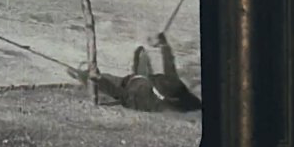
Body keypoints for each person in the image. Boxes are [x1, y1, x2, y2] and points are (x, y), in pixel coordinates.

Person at [67, 32, 201, 112]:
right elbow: (169, 66)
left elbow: (118, 93)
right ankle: (85, 75)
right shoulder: (175, 86)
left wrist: (98, 79)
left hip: (127, 84)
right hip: (140, 78)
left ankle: (80, 75)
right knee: (141, 52)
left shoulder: (145, 100)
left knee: (102, 79)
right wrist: (164, 44)